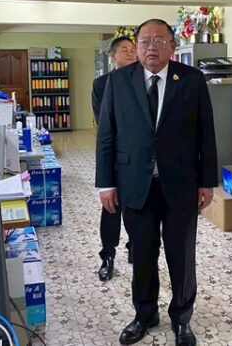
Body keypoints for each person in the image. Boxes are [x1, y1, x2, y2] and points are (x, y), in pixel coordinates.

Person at [95, 19, 217, 346]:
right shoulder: (118, 81)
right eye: (145, 41)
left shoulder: (191, 80)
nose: (152, 47)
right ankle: (145, 314)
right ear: (136, 47)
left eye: (159, 41)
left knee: (181, 255)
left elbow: (206, 133)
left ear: (172, 46)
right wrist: (105, 183)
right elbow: (106, 134)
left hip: (181, 184)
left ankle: (182, 318)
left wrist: (207, 182)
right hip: (135, 183)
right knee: (142, 254)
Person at [92, 36, 137, 281]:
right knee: (111, 208)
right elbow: (104, 124)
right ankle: (107, 256)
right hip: (115, 155)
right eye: (124, 50)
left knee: (137, 207)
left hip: (139, 158)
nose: (130, 53)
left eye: (133, 49)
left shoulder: (143, 79)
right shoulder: (102, 84)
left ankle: (134, 247)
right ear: (112, 55)